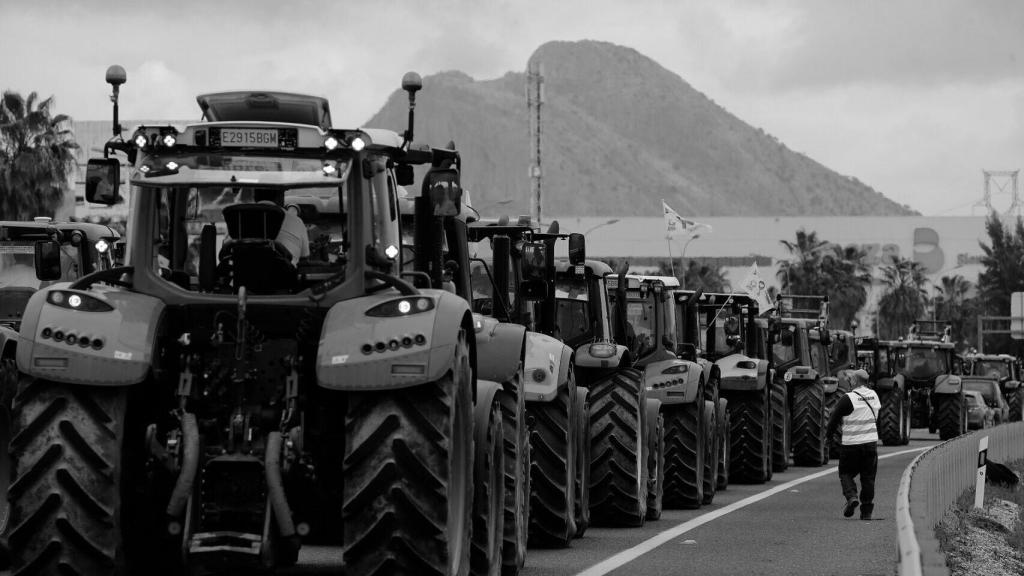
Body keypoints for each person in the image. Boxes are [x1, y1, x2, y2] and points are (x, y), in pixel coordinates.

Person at [826, 368, 881, 520]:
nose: (849, 382)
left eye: (851, 380)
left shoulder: (848, 398)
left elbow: (834, 419)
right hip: (870, 444)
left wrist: (828, 437)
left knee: (845, 473)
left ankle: (851, 497)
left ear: (856, 381)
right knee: (868, 478)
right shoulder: (874, 395)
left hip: (851, 445)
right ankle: (867, 512)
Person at [253, 189, 310, 265]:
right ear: (280, 197)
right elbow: (304, 256)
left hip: (243, 274)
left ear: (254, 196)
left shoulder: (239, 217)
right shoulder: (297, 221)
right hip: (284, 275)